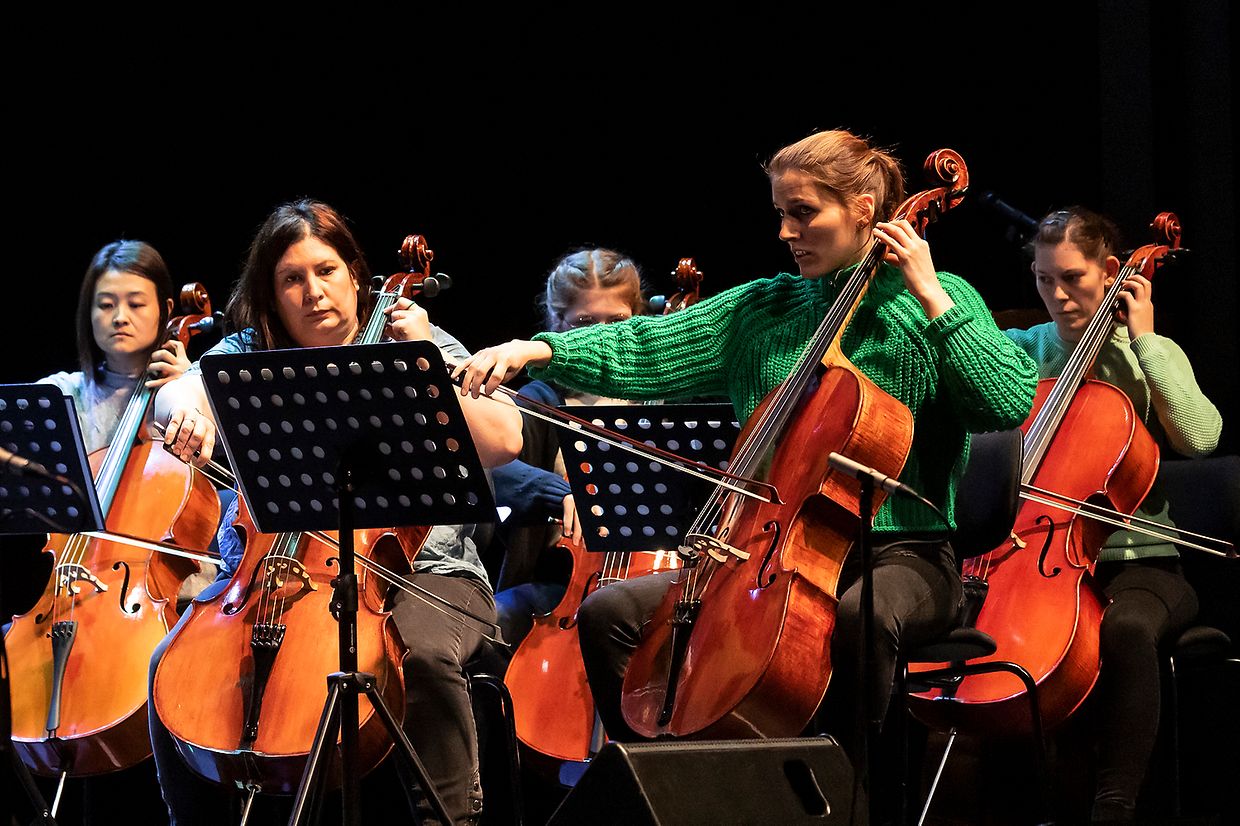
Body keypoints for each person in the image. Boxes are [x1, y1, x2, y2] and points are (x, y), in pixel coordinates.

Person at [455, 129, 1039, 804]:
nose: (786, 232)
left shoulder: (936, 299)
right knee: (611, 611)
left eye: (804, 213)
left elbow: (1006, 399)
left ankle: (860, 804)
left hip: (904, 555)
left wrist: (932, 296)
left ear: (864, 208)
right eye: (781, 214)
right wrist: (540, 351)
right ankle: (674, 797)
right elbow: (646, 344)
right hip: (768, 553)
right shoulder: (765, 308)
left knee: (862, 619)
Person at [150, 199, 523, 826]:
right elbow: (181, 392)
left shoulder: (413, 337)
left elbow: (505, 438)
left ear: (354, 274)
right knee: (168, 664)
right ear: (271, 294)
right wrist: (183, 411)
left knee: (418, 655)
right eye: (291, 279)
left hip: (425, 575)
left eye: (326, 271)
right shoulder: (252, 350)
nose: (313, 292)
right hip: (271, 575)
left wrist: (423, 357)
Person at [1005, 206, 1222, 823]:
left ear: (1109, 271)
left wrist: (1145, 341)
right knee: (1010, 647)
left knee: (1124, 629)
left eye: (1072, 278)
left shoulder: (1149, 352)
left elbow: (1200, 439)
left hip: (1143, 562)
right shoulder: (1022, 351)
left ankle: (1114, 806)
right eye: (1044, 279)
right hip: (1036, 558)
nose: (1058, 295)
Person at [490, 247, 651, 653]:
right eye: (585, 323)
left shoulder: (660, 398)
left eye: (617, 321)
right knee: (495, 621)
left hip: (652, 577)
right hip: (560, 583)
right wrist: (562, 492)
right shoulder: (541, 399)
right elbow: (495, 467)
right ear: (557, 325)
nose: (603, 336)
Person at [39, 239, 190, 450]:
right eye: (106, 305)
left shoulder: (189, 385)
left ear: (165, 310)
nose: (120, 318)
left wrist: (191, 387)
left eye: (135, 304)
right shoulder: (62, 393)